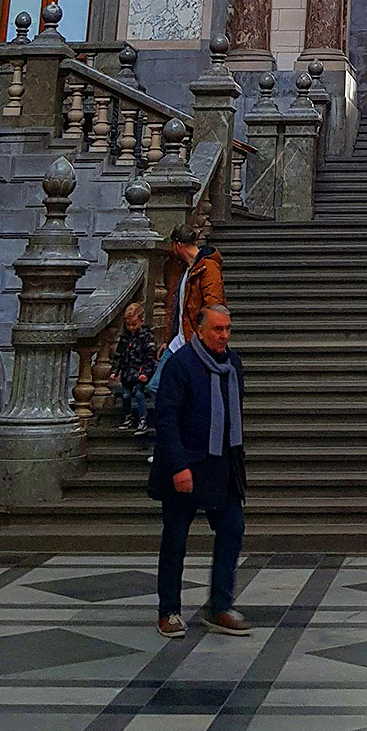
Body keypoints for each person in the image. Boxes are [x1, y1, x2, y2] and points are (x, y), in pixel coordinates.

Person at [147, 302, 250, 637]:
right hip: (187, 466)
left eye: (228, 329)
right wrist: (178, 466)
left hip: (223, 465)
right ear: (200, 331)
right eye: (218, 329)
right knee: (175, 540)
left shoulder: (233, 364)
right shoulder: (181, 365)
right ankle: (169, 611)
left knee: (232, 530)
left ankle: (219, 605)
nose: (224, 335)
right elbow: (166, 418)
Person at [164, 223, 224, 352]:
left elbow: (214, 303)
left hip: (195, 340)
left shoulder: (208, 267)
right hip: (180, 339)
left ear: (178, 245)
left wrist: (204, 336)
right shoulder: (186, 267)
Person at [111, 302, 158, 435]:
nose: (131, 328)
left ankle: (143, 419)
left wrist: (146, 373)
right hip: (127, 372)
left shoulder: (147, 336)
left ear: (141, 321)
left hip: (140, 372)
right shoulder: (125, 338)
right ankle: (128, 418)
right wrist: (115, 371)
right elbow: (119, 355)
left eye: (134, 324)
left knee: (138, 393)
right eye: (128, 325)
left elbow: (150, 357)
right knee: (125, 395)